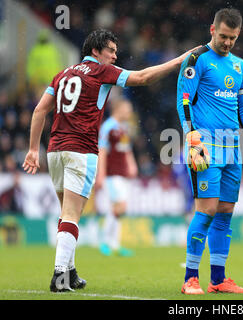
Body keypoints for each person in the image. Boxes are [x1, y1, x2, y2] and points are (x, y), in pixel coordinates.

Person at [22, 29, 199, 292]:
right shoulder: (101, 72)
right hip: (81, 150)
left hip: (55, 150)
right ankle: (59, 276)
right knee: (72, 214)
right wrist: (180, 59)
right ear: (95, 51)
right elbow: (142, 77)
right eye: (112, 51)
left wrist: (33, 149)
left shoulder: (63, 73)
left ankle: (69, 272)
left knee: (67, 214)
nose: (115, 57)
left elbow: (39, 110)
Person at [176, 8, 243, 295]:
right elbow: (184, 99)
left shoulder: (240, 66)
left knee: (225, 211)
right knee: (207, 210)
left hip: (232, 149)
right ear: (213, 30)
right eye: (224, 36)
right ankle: (190, 278)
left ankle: (218, 279)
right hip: (205, 147)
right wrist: (191, 136)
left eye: (233, 38)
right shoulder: (196, 59)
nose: (227, 43)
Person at [95, 98, 138, 257]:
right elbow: (102, 151)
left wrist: (132, 164)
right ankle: (104, 239)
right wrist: (101, 174)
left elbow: (126, 149)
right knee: (121, 206)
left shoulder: (123, 128)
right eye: (127, 109)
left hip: (122, 172)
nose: (129, 112)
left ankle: (114, 244)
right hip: (112, 174)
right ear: (118, 109)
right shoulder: (108, 127)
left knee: (117, 209)